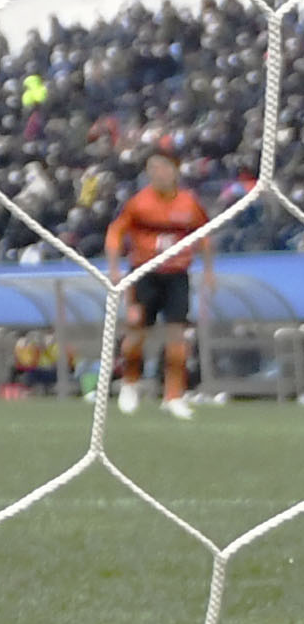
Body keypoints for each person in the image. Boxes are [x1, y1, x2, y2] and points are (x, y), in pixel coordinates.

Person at [108, 150, 216, 421]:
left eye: (162, 167)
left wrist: (209, 271)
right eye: (152, 168)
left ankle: (174, 395)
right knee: (136, 330)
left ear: (176, 170)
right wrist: (113, 268)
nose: (157, 173)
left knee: (177, 336)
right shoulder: (138, 203)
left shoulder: (189, 203)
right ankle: (130, 384)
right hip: (144, 273)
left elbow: (204, 235)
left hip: (177, 275)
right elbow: (115, 231)